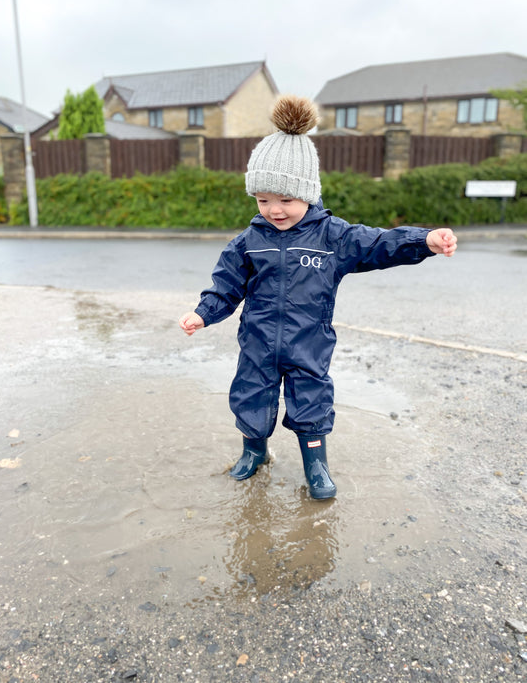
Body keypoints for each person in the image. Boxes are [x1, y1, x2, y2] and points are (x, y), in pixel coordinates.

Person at [179, 95, 457, 500]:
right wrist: (203, 313)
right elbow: (226, 284)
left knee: (311, 400)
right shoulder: (249, 241)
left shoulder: (333, 237)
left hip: (308, 343)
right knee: (250, 394)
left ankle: (316, 463)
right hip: (257, 342)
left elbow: (379, 244)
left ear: (307, 193)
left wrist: (424, 240)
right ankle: (254, 452)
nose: (274, 209)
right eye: (263, 200)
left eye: (285, 199)